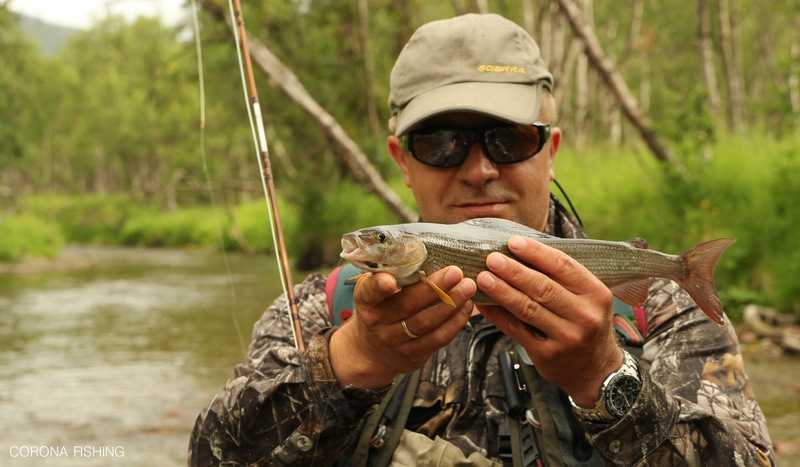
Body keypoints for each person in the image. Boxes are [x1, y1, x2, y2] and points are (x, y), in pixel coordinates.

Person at [188, 13, 774, 467]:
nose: (478, 170)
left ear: (550, 149)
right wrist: (350, 363)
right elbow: (213, 455)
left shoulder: (663, 313)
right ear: (403, 161)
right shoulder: (321, 311)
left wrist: (607, 377)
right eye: (441, 143)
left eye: (508, 139)